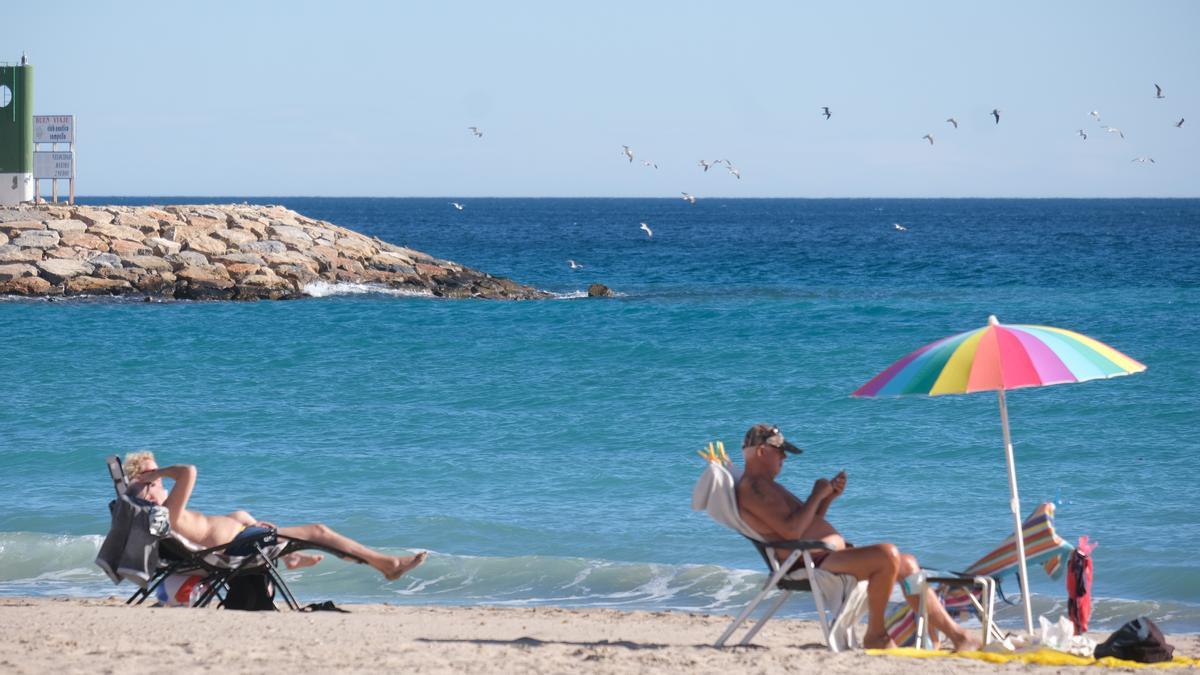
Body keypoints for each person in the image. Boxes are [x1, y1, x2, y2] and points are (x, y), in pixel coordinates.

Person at [735, 424, 979, 651]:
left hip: (819, 555)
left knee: (907, 563)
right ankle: (876, 635)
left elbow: (804, 525)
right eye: (780, 452)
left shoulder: (767, 486)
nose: (784, 458)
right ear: (761, 451)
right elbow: (791, 532)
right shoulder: (754, 488)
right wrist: (816, 494)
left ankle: (958, 636)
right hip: (807, 563)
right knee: (887, 554)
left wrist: (826, 499)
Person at [124, 453, 426, 581]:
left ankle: (292, 557)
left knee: (243, 514)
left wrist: (243, 521)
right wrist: (159, 472)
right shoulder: (168, 512)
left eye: (161, 479)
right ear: (145, 486)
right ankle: (387, 565)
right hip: (235, 548)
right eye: (155, 481)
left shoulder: (162, 512)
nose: (161, 484)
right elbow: (188, 471)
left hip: (237, 540)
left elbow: (205, 528)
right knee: (319, 531)